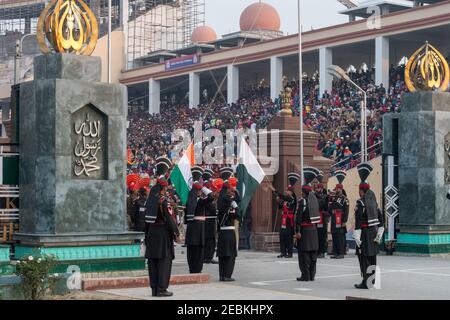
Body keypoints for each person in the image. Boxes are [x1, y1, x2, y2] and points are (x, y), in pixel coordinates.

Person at [144, 157, 180, 297]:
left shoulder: (151, 195)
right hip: (163, 234)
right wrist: (176, 232)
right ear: (164, 186)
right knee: (164, 263)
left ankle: (154, 289)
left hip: (152, 233)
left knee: (153, 262)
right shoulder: (163, 199)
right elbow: (169, 218)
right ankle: (162, 288)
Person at [353, 163, 385, 289]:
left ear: (361, 191)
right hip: (374, 232)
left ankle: (366, 282)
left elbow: (358, 222)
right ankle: (372, 280)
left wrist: (357, 239)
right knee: (373, 257)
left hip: (365, 233)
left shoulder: (361, 203)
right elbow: (381, 220)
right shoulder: (374, 202)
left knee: (364, 258)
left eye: (359, 189)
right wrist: (379, 235)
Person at [185, 166, 214, 274]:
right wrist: (203, 187)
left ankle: (192, 268)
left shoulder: (190, 200)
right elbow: (211, 196)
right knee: (198, 249)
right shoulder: (200, 201)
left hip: (192, 227)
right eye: (198, 190)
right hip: (199, 227)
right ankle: (197, 269)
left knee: (191, 249)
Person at [296, 167, 321, 282]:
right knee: (313, 254)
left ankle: (305, 275)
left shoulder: (302, 202)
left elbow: (298, 218)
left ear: (303, 192)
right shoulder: (315, 200)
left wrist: (297, 231)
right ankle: (312, 275)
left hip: (305, 231)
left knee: (304, 254)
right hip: (314, 230)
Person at [217, 167, 240, 282]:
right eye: (229, 190)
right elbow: (238, 214)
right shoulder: (230, 205)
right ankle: (227, 275)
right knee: (230, 256)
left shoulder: (220, 203)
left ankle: (222, 275)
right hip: (229, 232)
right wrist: (234, 191)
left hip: (222, 231)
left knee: (222, 256)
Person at [270, 173, 299, 258]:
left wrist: (274, 190)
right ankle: (283, 252)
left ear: (291, 192)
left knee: (288, 236)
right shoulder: (286, 199)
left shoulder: (292, 199)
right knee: (282, 235)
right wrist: (278, 201)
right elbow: (280, 207)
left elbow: (283, 197)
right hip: (284, 219)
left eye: (287, 190)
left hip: (289, 220)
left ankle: (289, 253)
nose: (286, 192)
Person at [329, 170, 349, 259]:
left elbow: (346, 210)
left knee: (340, 236)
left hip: (340, 219)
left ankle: (341, 253)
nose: (336, 190)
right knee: (334, 235)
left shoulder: (344, 199)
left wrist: (345, 221)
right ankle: (336, 252)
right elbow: (330, 209)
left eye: (337, 189)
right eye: (336, 189)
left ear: (340, 189)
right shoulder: (334, 198)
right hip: (334, 218)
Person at [203, 169, 219, 264]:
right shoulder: (206, 188)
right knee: (210, 239)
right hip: (209, 218)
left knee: (208, 238)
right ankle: (208, 256)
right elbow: (210, 202)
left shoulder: (205, 187)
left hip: (208, 218)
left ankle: (207, 256)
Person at [314, 171, 329, 258]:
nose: (317, 190)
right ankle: (317, 250)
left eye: (318, 188)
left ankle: (322, 251)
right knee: (316, 235)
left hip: (322, 218)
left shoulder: (324, 197)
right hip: (316, 217)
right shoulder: (315, 196)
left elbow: (323, 205)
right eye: (316, 188)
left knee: (322, 235)